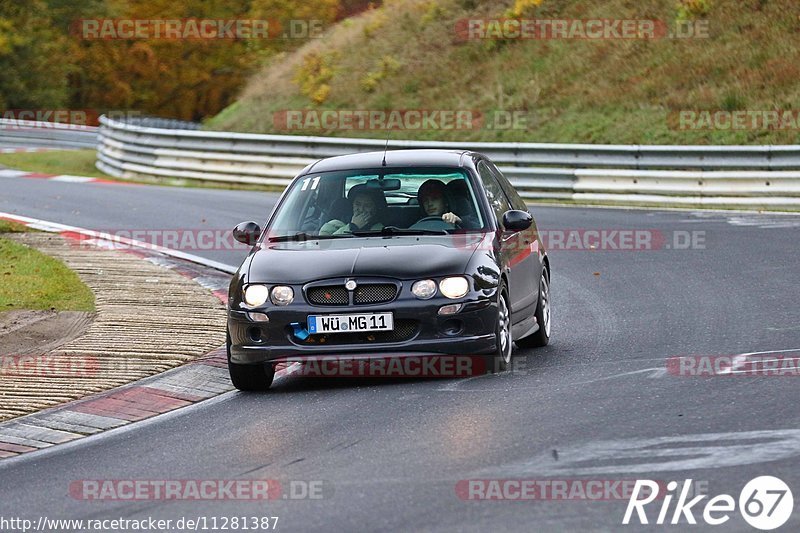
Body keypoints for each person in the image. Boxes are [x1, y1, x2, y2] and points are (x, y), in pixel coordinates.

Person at [319, 184, 386, 235]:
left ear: (375, 208)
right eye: (358, 204)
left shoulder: (383, 229)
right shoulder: (334, 225)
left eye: (367, 205)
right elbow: (325, 245)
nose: (361, 209)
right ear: (352, 204)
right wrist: (352, 227)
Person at [413, 179, 478, 228]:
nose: (429, 204)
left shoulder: (463, 220)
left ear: (446, 202)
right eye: (425, 200)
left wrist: (459, 222)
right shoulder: (413, 223)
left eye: (435, 198)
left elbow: (478, 230)